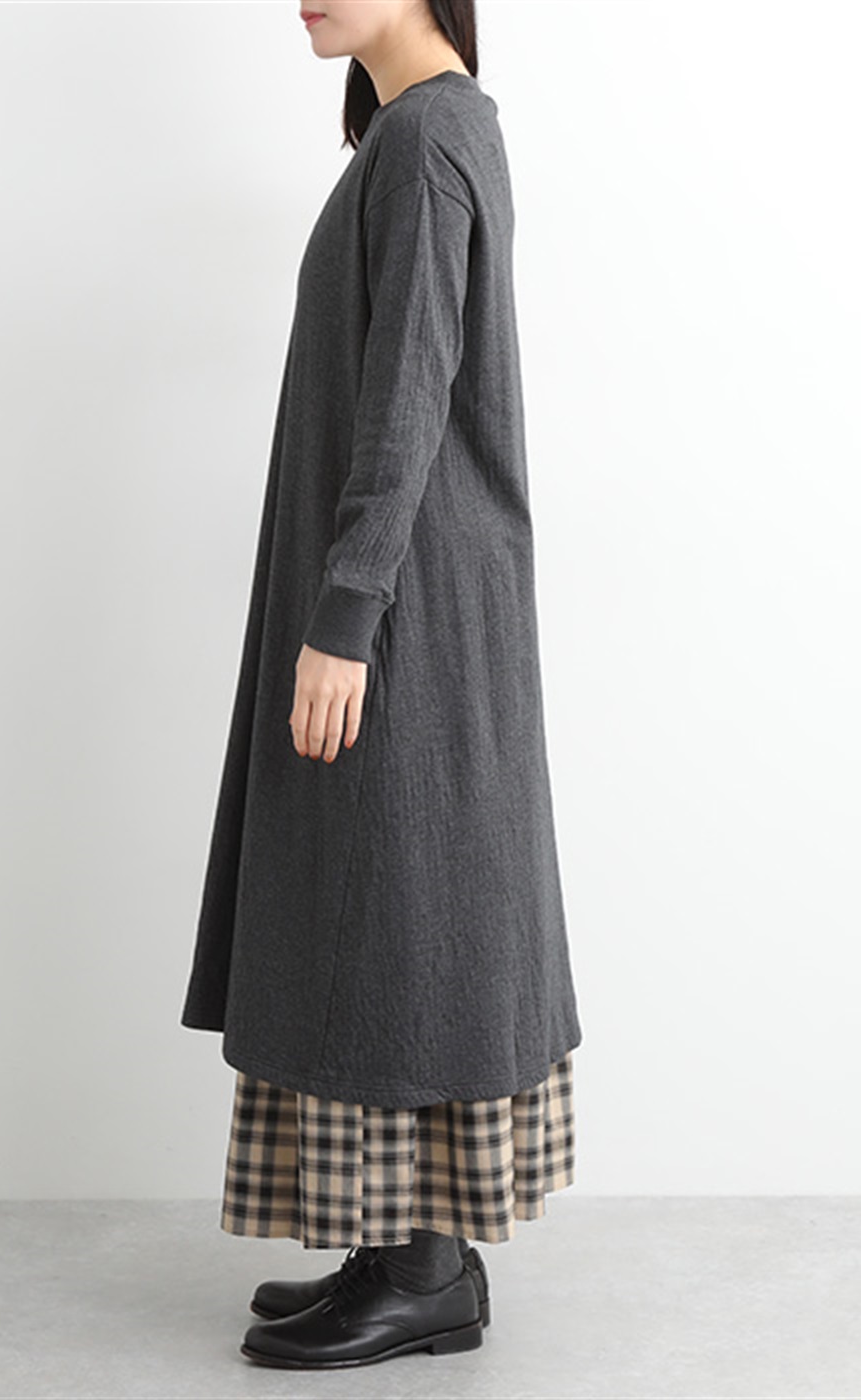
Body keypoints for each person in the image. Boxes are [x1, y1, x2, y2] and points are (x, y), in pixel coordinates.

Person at [180, 0, 585, 1369]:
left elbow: (412, 386)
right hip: (410, 586)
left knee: (395, 901)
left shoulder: (430, 136)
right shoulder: (417, 132)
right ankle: (412, 1254)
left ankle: (420, 1271)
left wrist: (348, 610)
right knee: (378, 895)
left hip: (408, 598)